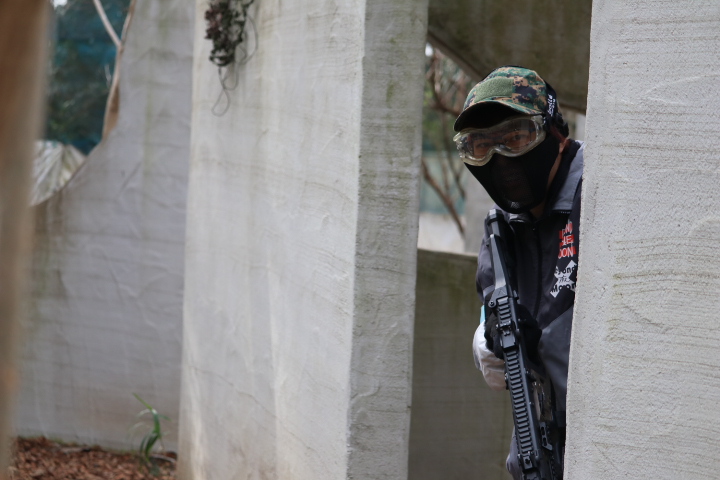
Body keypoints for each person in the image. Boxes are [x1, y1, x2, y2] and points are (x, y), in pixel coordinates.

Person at [453, 66, 583, 479]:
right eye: (481, 146)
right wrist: (490, 339)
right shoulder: (500, 227)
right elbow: (490, 328)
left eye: (516, 138)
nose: (500, 158)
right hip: (540, 453)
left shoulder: (597, 197)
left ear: (555, 133)